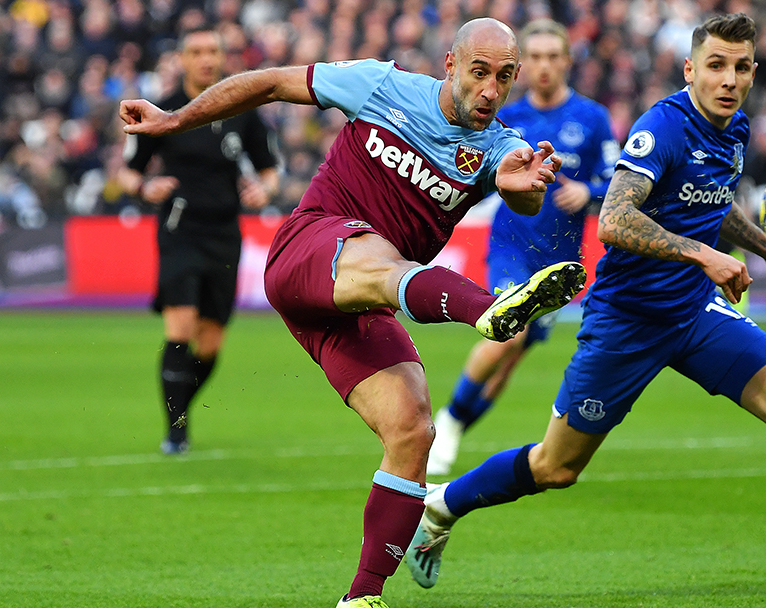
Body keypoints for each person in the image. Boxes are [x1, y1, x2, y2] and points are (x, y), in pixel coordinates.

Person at [405, 14, 766, 607]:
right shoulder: (662, 127)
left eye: (740, 68)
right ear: (691, 69)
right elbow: (613, 219)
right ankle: (441, 506)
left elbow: (714, 200)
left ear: (754, 73)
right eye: (716, 65)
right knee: (556, 466)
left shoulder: (733, 129)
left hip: (694, 313)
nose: (729, 79)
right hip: (627, 322)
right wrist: (705, 255)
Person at [119, 18, 586, 608]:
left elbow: (520, 186)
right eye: (479, 72)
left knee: (413, 428)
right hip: (309, 251)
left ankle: (361, 597)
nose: (491, 89)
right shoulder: (381, 86)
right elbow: (268, 84)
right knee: (383, 258)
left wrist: (529, 185)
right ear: (450, 64)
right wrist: (174, 118)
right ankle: (488, 310)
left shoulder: (497, 145)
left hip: (359, 298)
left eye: (504, 77)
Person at [427, 19, 619, 476]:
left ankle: (457, 425)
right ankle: (449, 421)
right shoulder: (507, 116)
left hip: (560, 258)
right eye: (534, 57)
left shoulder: (592, 118)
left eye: (553, 56)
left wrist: (588, 192)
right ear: (522, 64)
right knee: (507, 332)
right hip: (511, 246)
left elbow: (617, 179)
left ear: (567, 62)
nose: (544, 66)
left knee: (512, 356)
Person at [117, 27, 280, 455]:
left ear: (223, 57)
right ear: (183, 59)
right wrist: (143, 188)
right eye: (197, 52)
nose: (206, 58)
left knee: (210, 343)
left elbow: (269, 168)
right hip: (179, 228)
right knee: (181, 326)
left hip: (226, 232)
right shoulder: (164, 109)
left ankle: (180, 408)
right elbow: (129, 171)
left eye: (213, 51)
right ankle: (176, 431)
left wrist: (265, 189)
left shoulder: (243, 108)